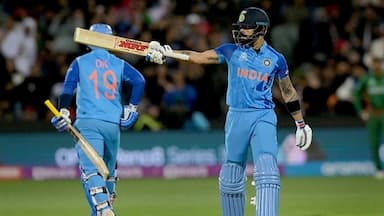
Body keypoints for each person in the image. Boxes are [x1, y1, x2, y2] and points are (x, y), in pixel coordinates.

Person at [146, 7, 312, 216]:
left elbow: (288, 91)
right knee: (231, 175)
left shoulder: (276, 59)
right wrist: (169, 53)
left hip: (263, 115)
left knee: (267, 169)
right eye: (240, 27)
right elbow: (199, 57)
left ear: (261, 30)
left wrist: (300, 123)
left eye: (247, 28)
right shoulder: (231, 51)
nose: (241, 32)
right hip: (236, 117)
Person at [50, 23, 162, 216]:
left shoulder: (80, 62)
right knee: (108, 174)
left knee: (91, 171)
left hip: (88, 123)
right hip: (112, 126)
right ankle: (105, 208)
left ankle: (104, 209)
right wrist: (132, 109)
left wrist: (64, 112)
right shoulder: (118, 63)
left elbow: (67, 89)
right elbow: (139, 80)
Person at [353, 56, 384, 179]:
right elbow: (356, 94)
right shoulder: (367, 79)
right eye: (374, 64)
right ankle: (378, 169)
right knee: (374, 142)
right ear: (371, 65)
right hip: (373, 115)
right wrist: (361, 111)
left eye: (378, 63)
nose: (376, 66)